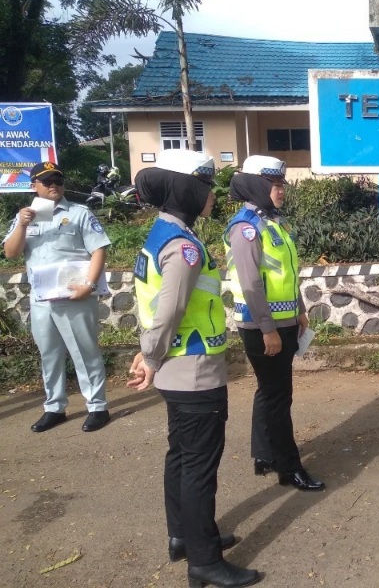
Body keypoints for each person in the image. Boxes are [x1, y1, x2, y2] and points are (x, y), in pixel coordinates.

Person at [127, 149, 259, 588]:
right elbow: (169, 311)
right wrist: (149, 356)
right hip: (194, 371)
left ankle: (184, 535)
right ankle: (204, 561)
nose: (211, 195)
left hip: (176, 369)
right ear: (186, 189)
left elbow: (151, 306)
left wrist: (148, 355)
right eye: (205, 187)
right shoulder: (183, 247)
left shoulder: (162, 234)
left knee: (181, 456)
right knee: (199, 466)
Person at [223, 155, 324, 491]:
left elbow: (286, 273)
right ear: (257, 186)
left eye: (281, 184)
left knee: (270, 393)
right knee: (279, 397)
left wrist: (298, 307)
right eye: (275, 185)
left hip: (281, 321)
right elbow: (251, 285)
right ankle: (288, 467)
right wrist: (268, 329)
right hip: (260, 326)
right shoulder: (246, 228)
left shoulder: (271, 222)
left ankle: (264, 454)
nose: (281, 190)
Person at [3, 161, 111, 433]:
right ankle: (54, 407)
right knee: (49, 354)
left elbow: (99, 249)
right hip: (42, 300)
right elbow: (11, 253)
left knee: (85, 352)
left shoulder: (79, 213)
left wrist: (89, 284)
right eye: (47, 181)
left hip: (76, 294)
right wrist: (22, 225)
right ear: (34, 186)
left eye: (58, 181)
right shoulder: (24, 217)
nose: (54, 186)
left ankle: (97, 406)